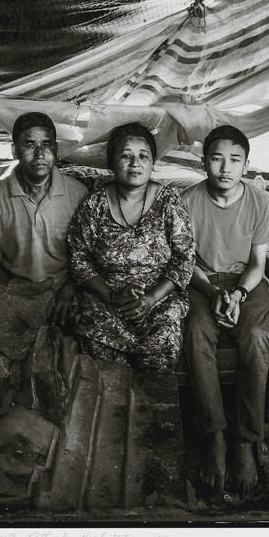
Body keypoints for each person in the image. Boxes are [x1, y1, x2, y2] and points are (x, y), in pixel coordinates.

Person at [182, 125, 269, 499]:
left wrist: (237, 294)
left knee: (257, 338)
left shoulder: (261, 203)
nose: (225, 167)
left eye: (234, 160)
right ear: (203, 161)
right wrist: (211, 291)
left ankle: (245, 441)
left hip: (246, 283)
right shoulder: (186, 201)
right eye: (217, 158)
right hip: (201, 280)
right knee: (195, 333)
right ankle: (216, 437)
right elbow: (184, 260)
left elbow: (258, 264)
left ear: (245, 165)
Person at [67, 122, 195, 373]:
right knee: (102, 369)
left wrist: (150, 299)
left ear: (152, 164)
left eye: (143, 156)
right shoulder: (94, 205)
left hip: (158, 302)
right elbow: (79, 258)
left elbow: (184, 259)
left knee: (158, 357)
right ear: (112, 163)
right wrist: (113, 296)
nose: (135, 163)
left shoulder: (169, 202)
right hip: (106, 301)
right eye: (126, 155)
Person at [0, 111, 88, 326]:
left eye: (46, 144)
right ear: (15, 151)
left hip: (66, 295)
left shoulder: (78, 194)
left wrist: (68, 291)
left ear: (56, 149)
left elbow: (88, 258)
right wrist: (16, 302)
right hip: (15, 294)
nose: (40, 154)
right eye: (29, 145)